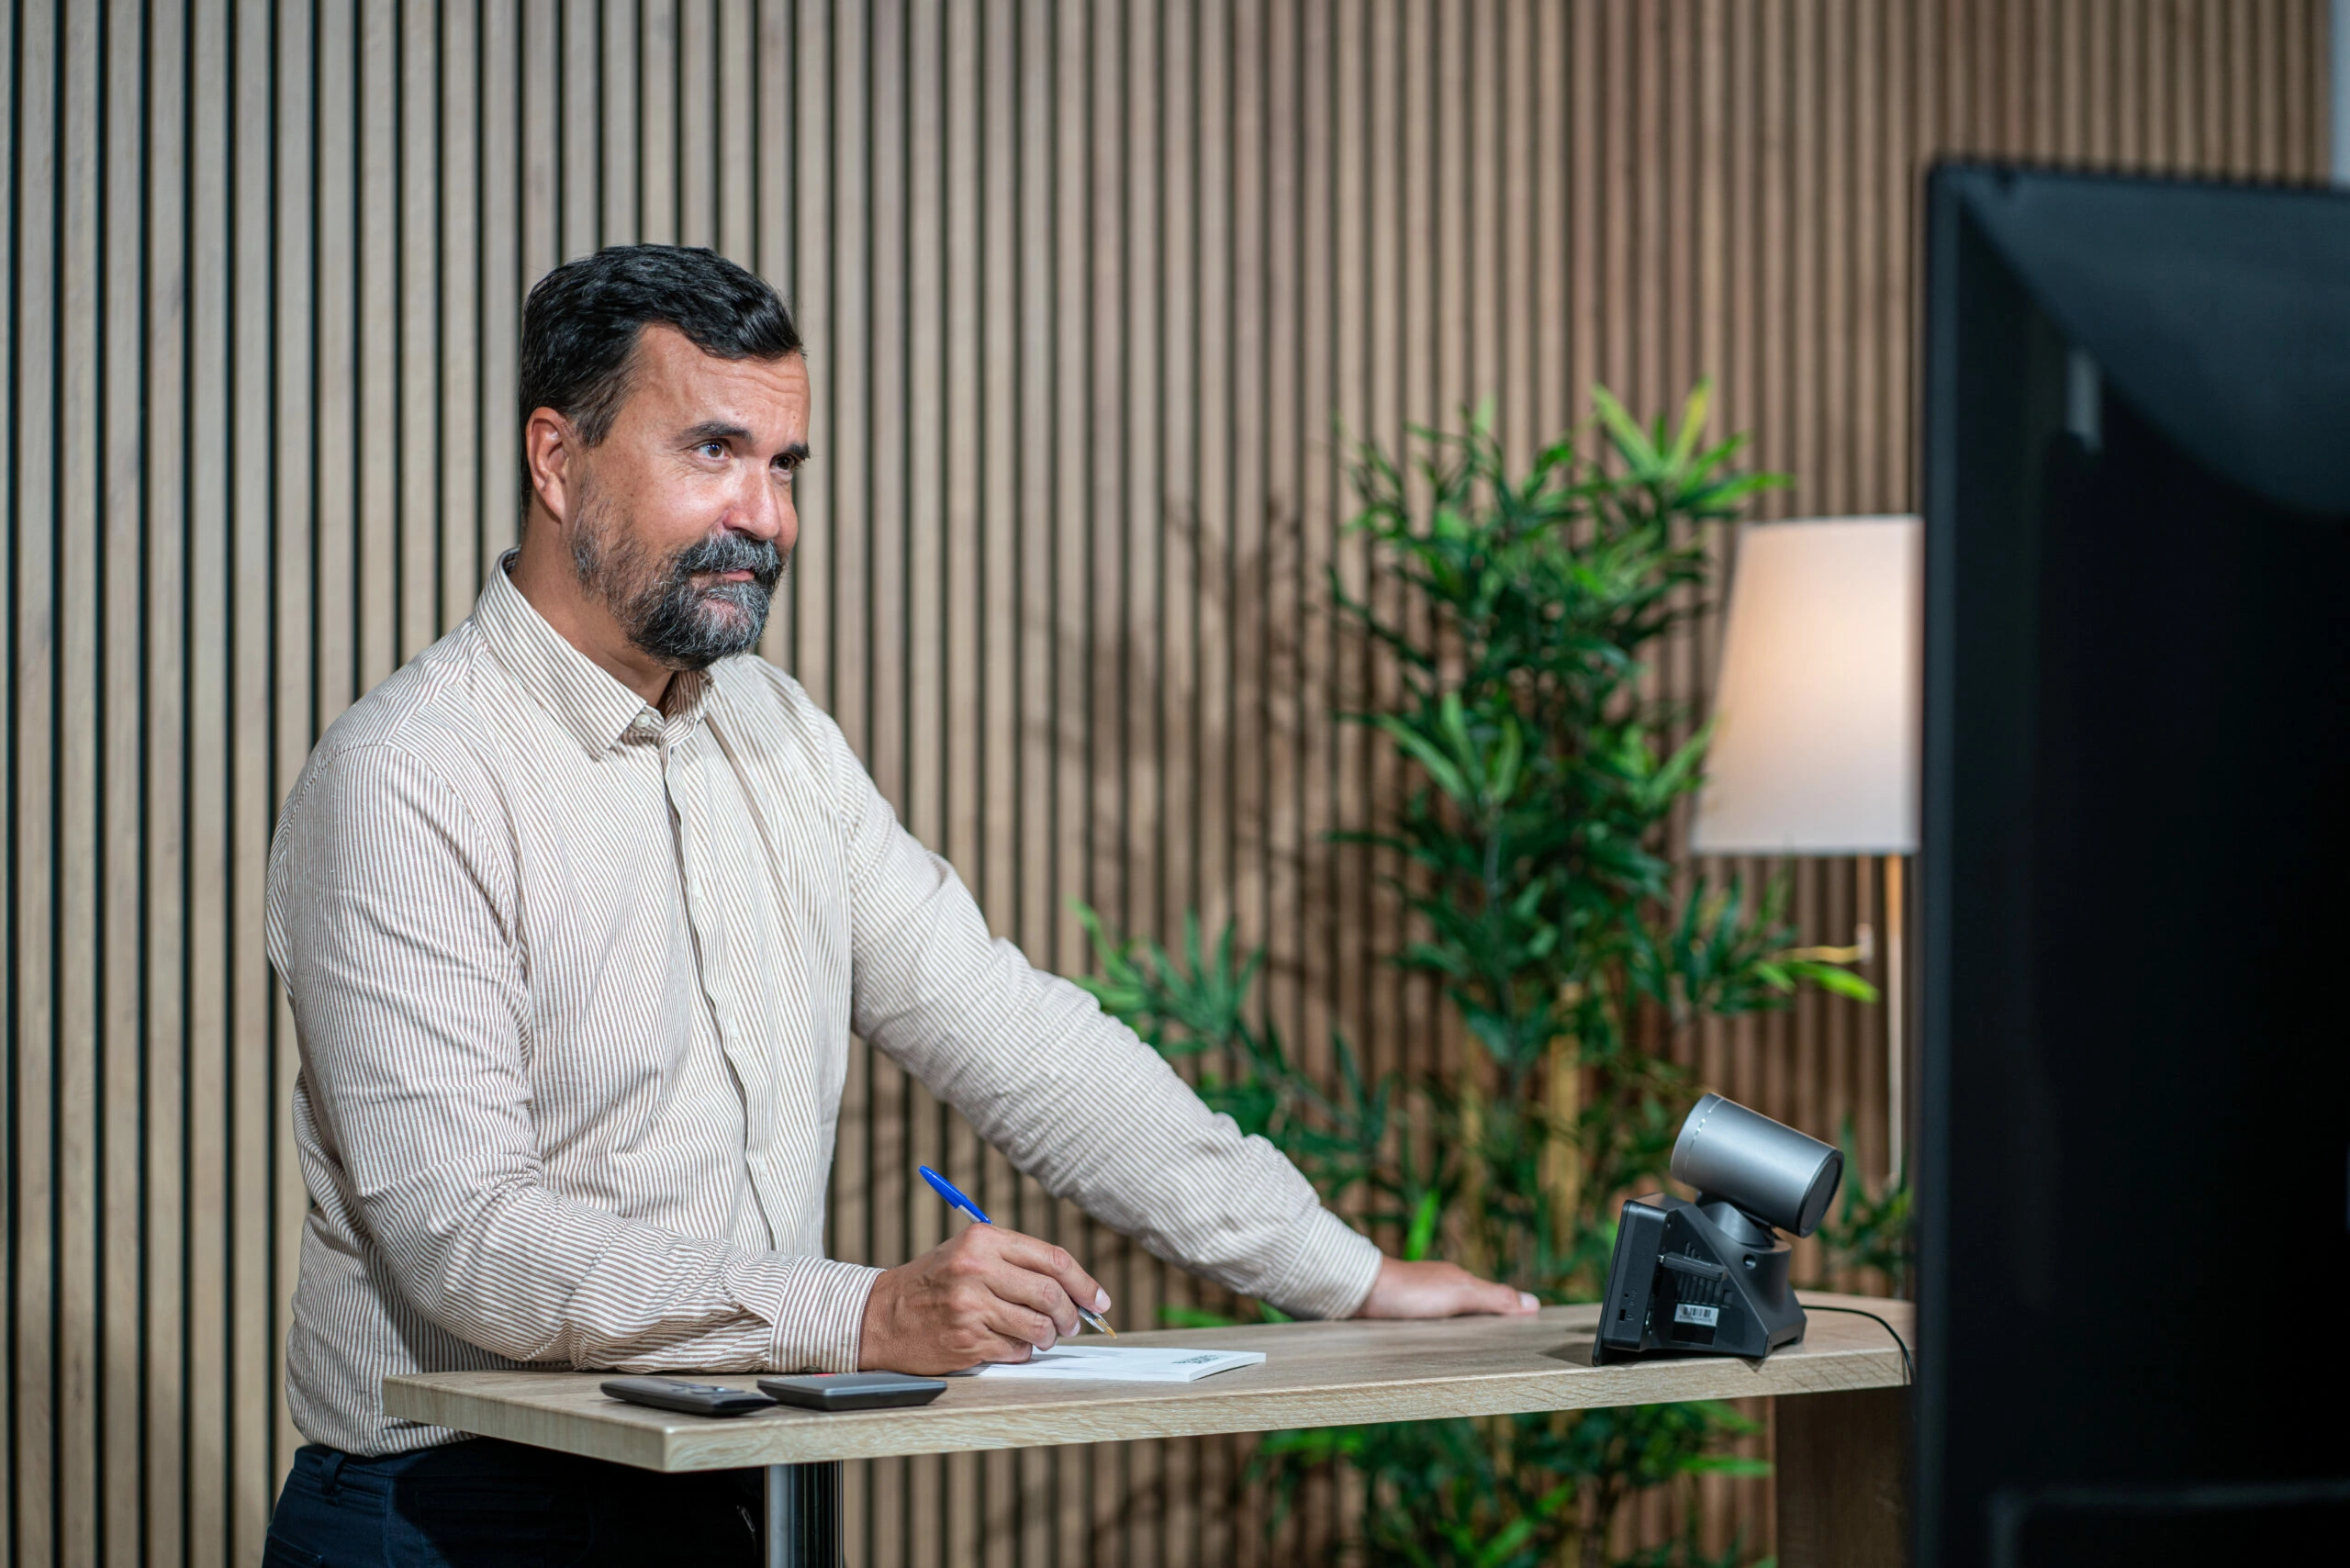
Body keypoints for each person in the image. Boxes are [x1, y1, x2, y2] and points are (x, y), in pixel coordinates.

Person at [260, 243, 1534, 1566]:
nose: (765, 515)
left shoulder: (779, 735)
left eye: (784, 466)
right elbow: (470, 1240)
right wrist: (864, 1316)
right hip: (449, 1514)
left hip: (717, 1481)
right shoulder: (406, 778)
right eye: (714, 452)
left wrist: (1347, 1276)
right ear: (556, 458)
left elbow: (1017, 1038)